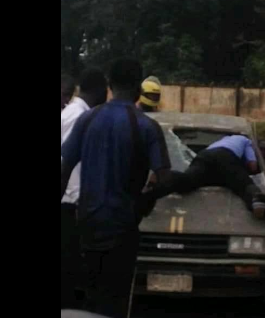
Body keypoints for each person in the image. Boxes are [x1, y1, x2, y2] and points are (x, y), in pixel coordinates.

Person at [61, 58, 171, 318]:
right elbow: (164, 178)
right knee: (117, 300)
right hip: (123, 228)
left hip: (86, 225)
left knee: (89, 297)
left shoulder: (87, 120)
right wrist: (147, 201)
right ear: (138, 88)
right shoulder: (146, 126)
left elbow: (64, 172)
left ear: (110, 85)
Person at [148, 135, 265, 223]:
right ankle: (259, 205)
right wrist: (254, 169)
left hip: (204, 157)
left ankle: (160, 180)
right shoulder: (247, 141)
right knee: (245, 186)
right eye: (263, 150)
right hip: (225, 157)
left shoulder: (224, 139)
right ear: (256, 147)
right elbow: (252, 167)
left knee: (186, 181)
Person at [61, 68, 108, 310]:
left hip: (70, 202)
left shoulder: (75, 112)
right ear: (100, 91)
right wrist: (81, 201)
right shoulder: (79, 116)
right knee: (69, 268)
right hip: (69, 204)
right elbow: (69, 163)